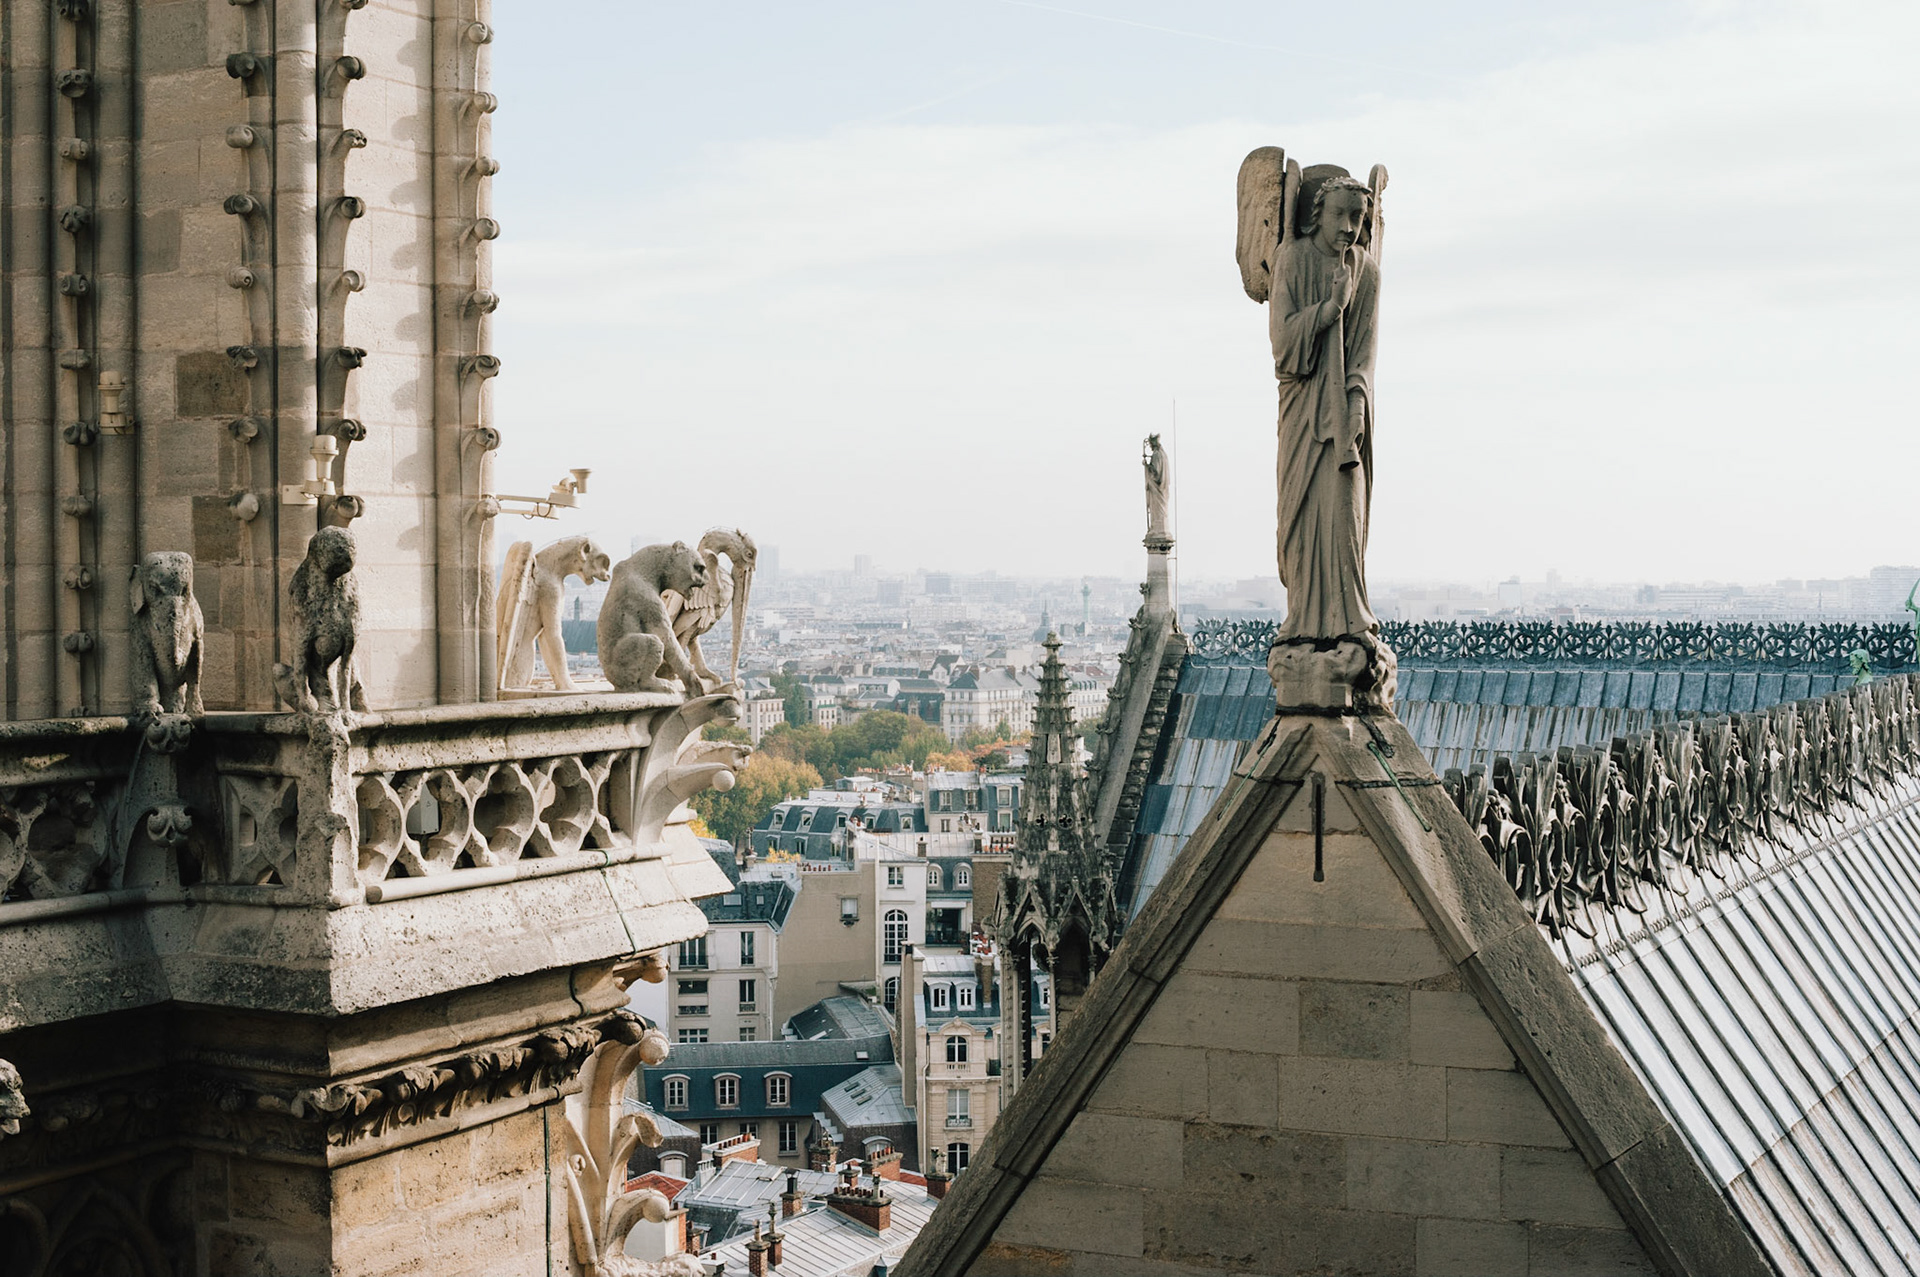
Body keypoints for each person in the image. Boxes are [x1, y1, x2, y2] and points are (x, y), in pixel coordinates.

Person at [1268, 172, 1381, 646]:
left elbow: (1363, 356)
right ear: (1318, 214)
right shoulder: (1291, 259)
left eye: (1358, 218)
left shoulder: (1367, 271)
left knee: (1343, 519)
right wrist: (1329, 308)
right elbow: (1282, 348)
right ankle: (1303, 622)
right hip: (1302, 411)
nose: (1350, 227)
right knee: (1299, 520)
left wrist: (1356, 406)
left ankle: (1348, 619)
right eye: (1341, 215)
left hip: (1343, 420)